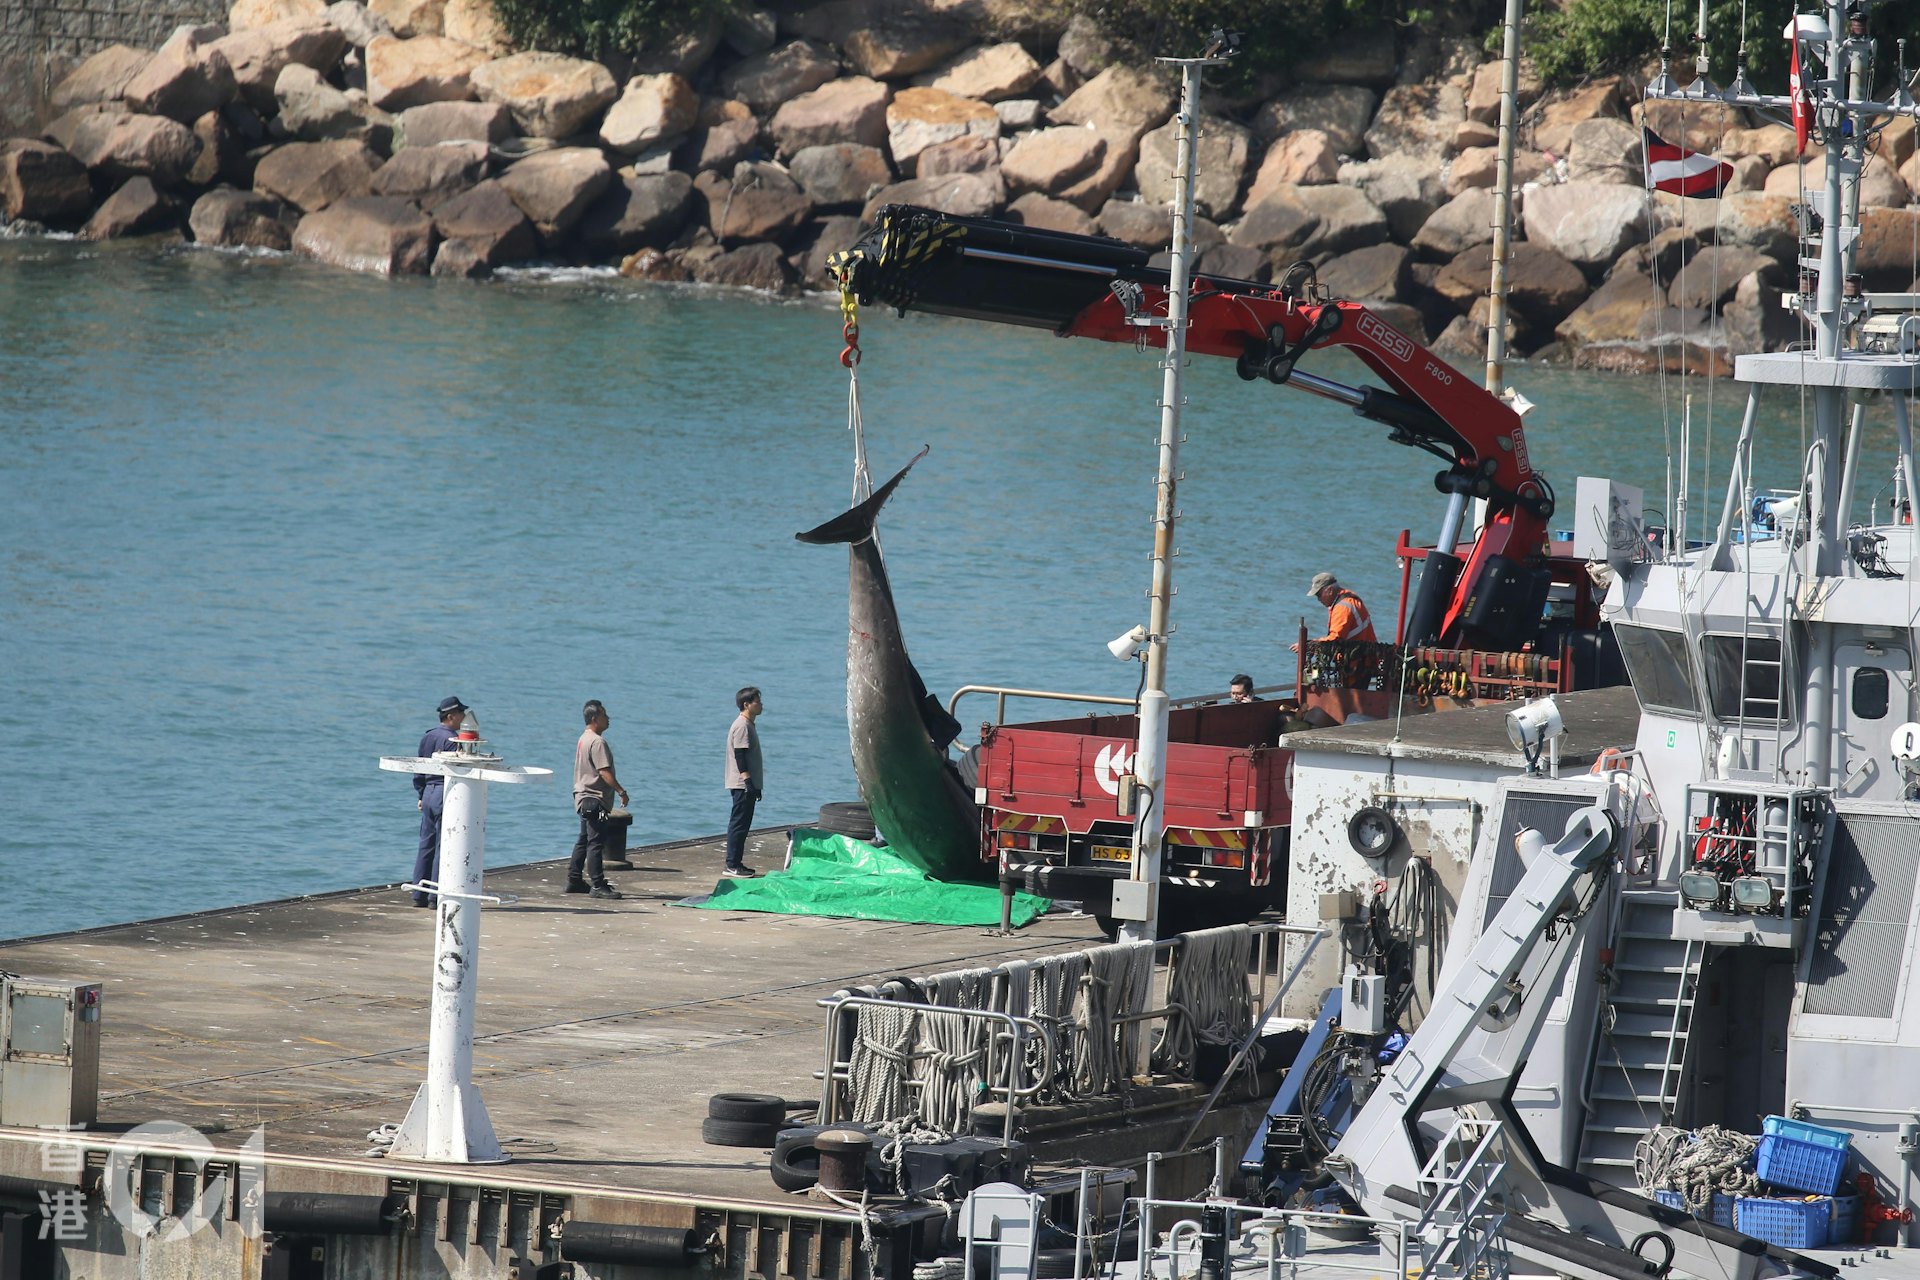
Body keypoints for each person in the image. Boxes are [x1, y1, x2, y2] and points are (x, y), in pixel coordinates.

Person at [410, 696, 465, 908]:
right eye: (460, 714)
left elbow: (419, 767)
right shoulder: (453, 740)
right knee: (444, 846)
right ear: (451, 716)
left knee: (426, 844)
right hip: (445, 791)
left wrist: (421, 794)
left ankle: (418, 894)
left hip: (429, 792)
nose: (463, 717)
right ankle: (435, 895)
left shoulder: (428, 736)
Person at [569, 700, 627, 900]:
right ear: (595, 719)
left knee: (585, 839)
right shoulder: (597, 742)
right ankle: (598, 884)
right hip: (595, 800)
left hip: (582, 798)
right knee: (597, 841)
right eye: (604, 715)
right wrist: (621, 791)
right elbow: (604, 772)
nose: (608, 718)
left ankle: (574, 879)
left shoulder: (584, 738)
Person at [722, 687, 764, 879]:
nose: (761, 704)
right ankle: (732, 864)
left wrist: (756, 785)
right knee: (738, 824)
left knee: (744, 824)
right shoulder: (742, 726)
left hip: (748, 783)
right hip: (741, 784)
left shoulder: (749, 724)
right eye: (757, 701)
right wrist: (748, 781)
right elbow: (740, 756)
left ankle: (736, 862)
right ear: (747, 704)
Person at [1291, 571, 1377, 652]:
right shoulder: (1346, 599)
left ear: (1330, 590)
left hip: (1359, 662)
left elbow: (1335, 639)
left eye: (1319, 595)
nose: (1318, 599)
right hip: (1363, 657)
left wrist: (1308, 645)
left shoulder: (1342, 607)